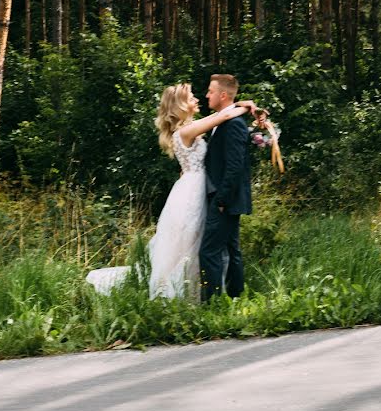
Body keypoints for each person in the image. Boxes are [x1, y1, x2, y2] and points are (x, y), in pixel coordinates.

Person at [86, 82, 258, 301]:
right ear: (180, 106)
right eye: (191, 97)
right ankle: (190, 294)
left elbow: (219, 118)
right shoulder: (185, 131)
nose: (197, 99)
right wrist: (246, 106)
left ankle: (202, 293)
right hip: (192, 192)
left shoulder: (189, 128)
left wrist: (240, 104)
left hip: (195, 187)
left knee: (195, 245)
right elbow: (223, 117)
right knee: (190, 244)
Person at [201, 74, 253, 301]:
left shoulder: (233, 125)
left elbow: (234, 167)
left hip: (225, 200)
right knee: (232, 250)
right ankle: (235, 297)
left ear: (223, 95)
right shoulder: (224, 119)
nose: (206, 95)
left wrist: (221, 201)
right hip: (224, 198)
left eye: (210, 92)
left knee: (209, 251)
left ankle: (213, 304)